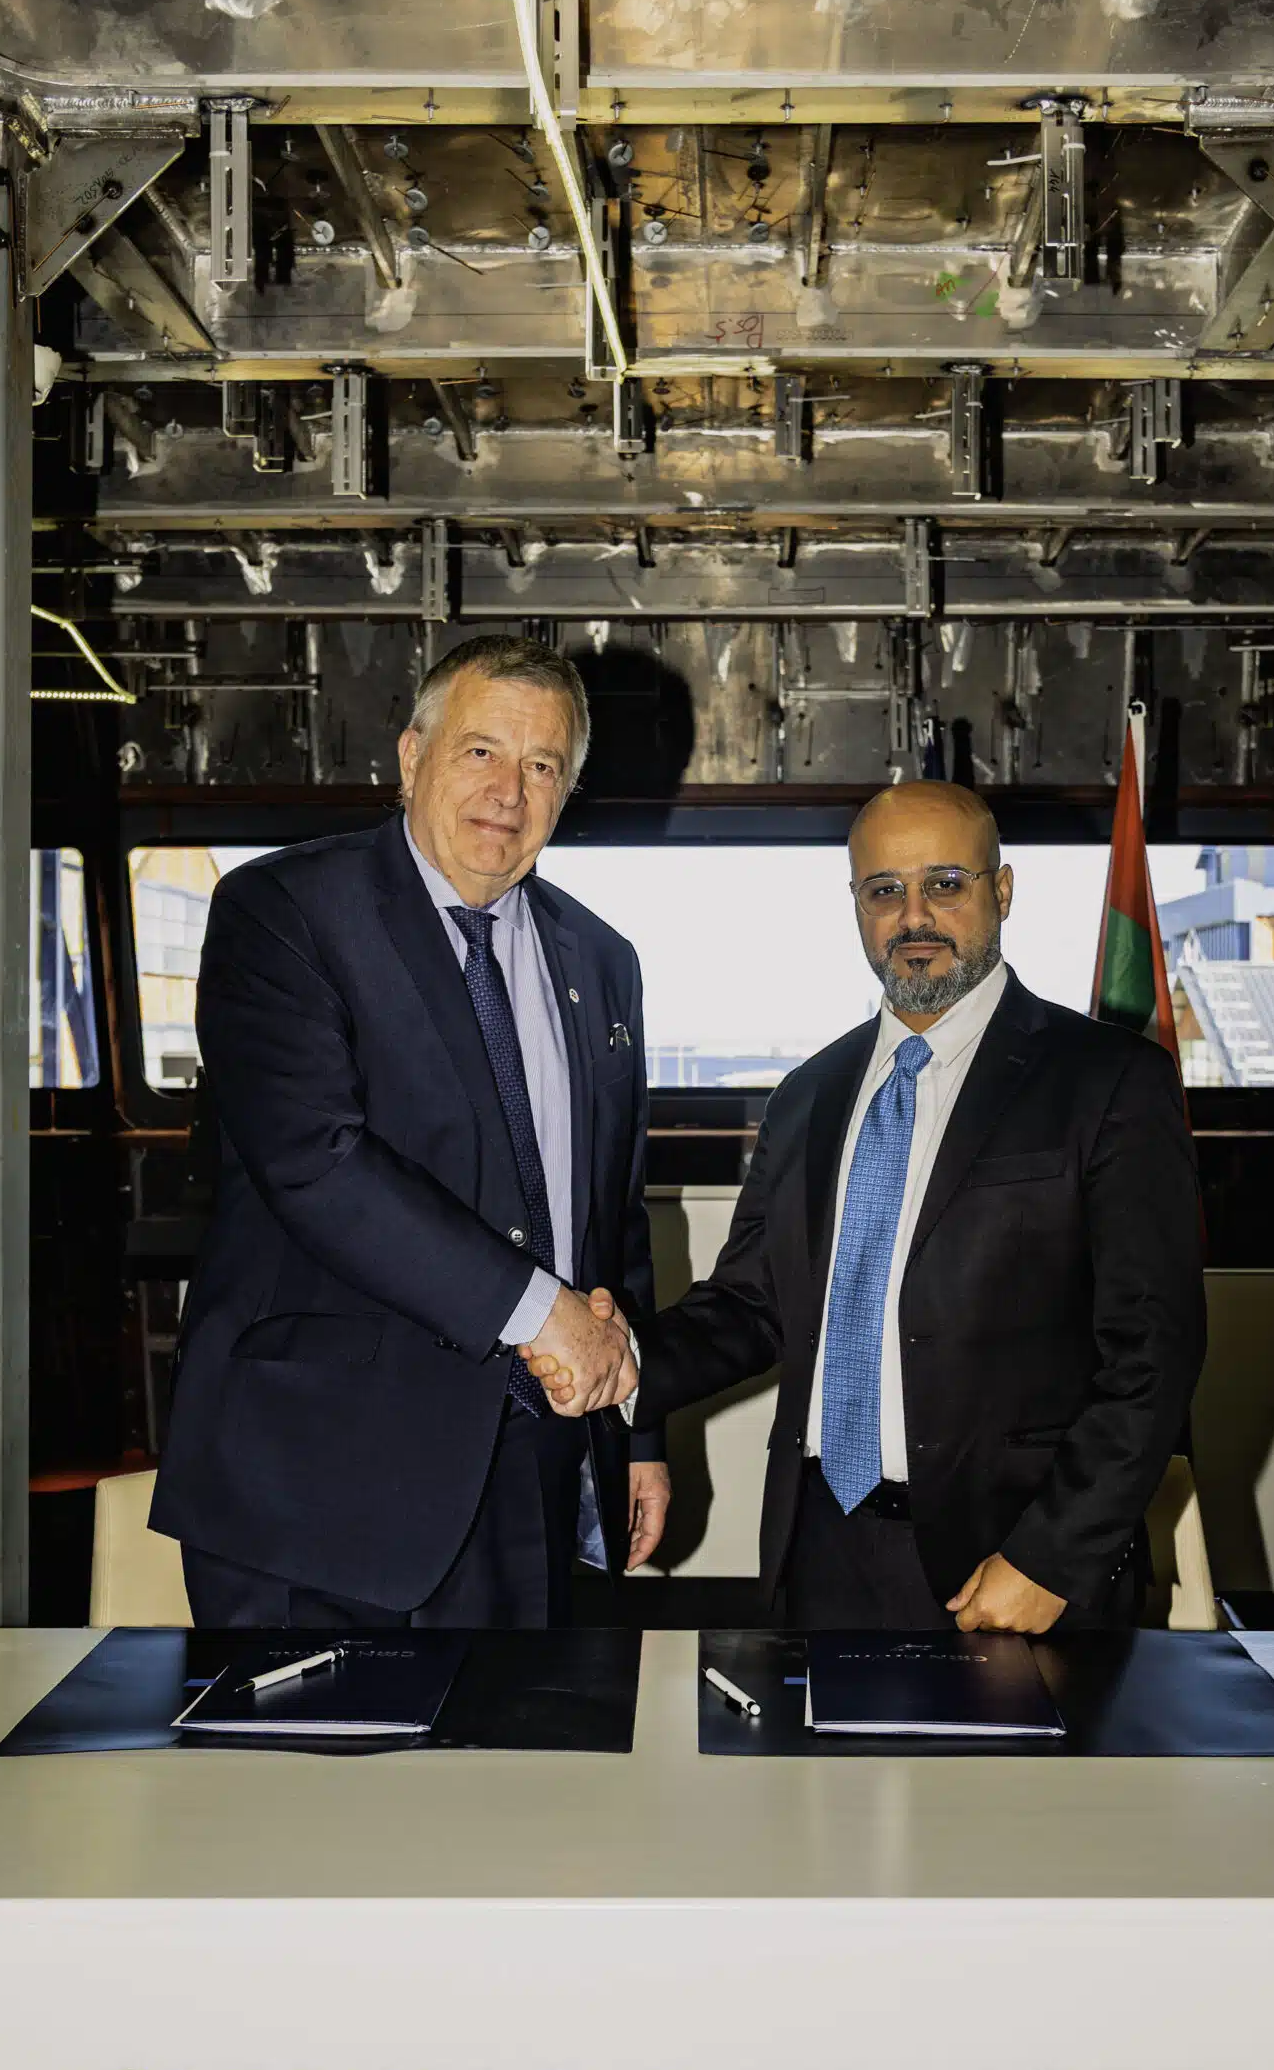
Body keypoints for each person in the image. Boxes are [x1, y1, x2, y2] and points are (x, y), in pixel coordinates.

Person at [524, 780, 1203, 1633]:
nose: (914, 916)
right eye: (884, 890)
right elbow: (750, 1306)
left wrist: (1052, 1557)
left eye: (945, 883)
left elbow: (1153, 1352)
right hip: (820, 1549)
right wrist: (624, 1362)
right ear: (855, 905)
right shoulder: (808, 1095)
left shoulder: (1110, 1081)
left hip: (1011, 1560)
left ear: (1001, 891)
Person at [152, 635, 666, 1627]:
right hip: (318, 1490)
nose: (508, 791)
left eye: (542, 765)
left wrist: (636, 1427)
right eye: (480, 751)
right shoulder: (283, 911)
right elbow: (317, 1164)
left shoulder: (603, 960)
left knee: (517, 1729)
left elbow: (611, 1217)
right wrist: (542, 1314)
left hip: (535, 1467)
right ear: (411, 756)